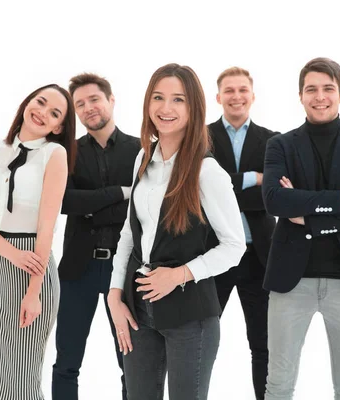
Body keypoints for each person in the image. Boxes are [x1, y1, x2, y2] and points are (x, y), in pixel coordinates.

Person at [106, 63, 246, 400]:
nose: (165, 108)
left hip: (190, 319)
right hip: (138, 310)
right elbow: (129, 233)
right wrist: (114, 294)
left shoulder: (206, 171)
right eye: (158, 97)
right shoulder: (144, 157)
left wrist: (179, 275)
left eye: (178, 100)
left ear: (194, 108)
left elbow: (234, 246)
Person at [262, 57, 340, 400]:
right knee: (279, 383)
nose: (320, 97)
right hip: (291, 281)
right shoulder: (280, 145)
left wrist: (307, 215)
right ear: (300, 96)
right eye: (311, 89)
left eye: (328, 89)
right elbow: (275, 202)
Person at [0, 84, 76, 400]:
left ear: (59, 126)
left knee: (21, 381)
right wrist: (11, 254)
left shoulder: (55, 154)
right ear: (27, 102)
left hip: (32, 271)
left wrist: (33, 292)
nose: (43, 112)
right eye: (40, 102)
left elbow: (47, 229)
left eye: (55, 113)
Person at [52, 73, 140, 400]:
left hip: (126, 270)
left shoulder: (141, 148)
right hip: (78, 270)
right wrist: (119, 193)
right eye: (80, 104)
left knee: (130, 360)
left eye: (94, 99)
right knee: (66, 362)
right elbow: (63, 202)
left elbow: (143, 208)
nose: (88, 108)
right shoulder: (64, 153)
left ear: (111, 100)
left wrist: (90, 206)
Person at [207, 66, 276, 400]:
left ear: (252, 96)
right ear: (218, 97)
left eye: (242, 90)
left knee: (263, 345)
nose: (236, 96)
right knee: (200, 343)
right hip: (211, 255)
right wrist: (254, 177)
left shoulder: (274, 140)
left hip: (259, 256)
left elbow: (275, 197)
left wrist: (226, 185)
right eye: (229, 91)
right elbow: (199, 191)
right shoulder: (199, 137)